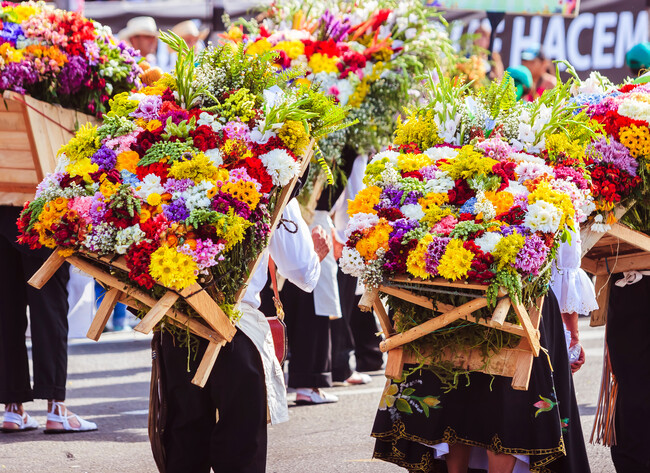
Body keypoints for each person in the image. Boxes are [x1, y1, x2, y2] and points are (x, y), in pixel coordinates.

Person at [371, 239, 591, 472]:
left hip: (443, 285)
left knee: (455, 392)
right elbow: (566, 256)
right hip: (506, 288)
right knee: (502, 398)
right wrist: (572, 332)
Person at [156, 199, 330, 472]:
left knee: (184, 444)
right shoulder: (271, 177)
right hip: (236, 329)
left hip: (177, 323)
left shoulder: (164, 178)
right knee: (240, 450)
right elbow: (301, 272)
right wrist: (316, 258)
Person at [0, 206, 97, 433]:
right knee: (49, 312)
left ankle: (13, 409)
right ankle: (56, 410)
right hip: (39, 217)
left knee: (6, 316)